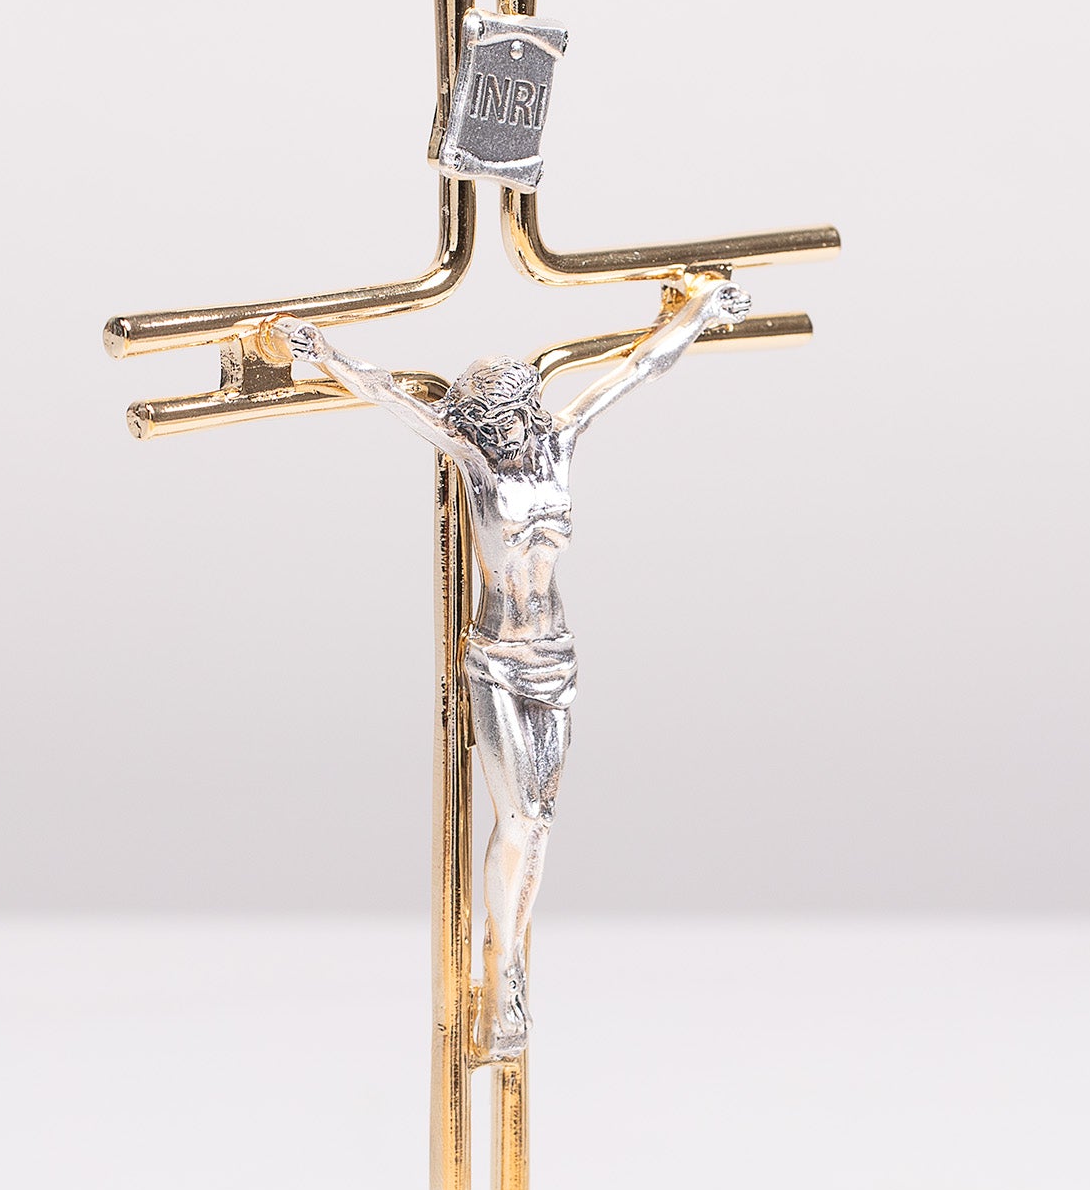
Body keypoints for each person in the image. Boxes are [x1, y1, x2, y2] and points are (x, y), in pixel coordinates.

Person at [271, 276, 751, 1061]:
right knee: (520, 816)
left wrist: (696, 315)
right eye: (489, 423)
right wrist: (322, 351)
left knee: (542, 820)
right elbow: (393, 398)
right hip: (495, 658)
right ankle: (506, 966)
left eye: (510, 417)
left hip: (555, 656)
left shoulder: (559, 442)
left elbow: (637, 368)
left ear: (526, 408)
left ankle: (510, 946)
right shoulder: (476, 465)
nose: (504, 433)